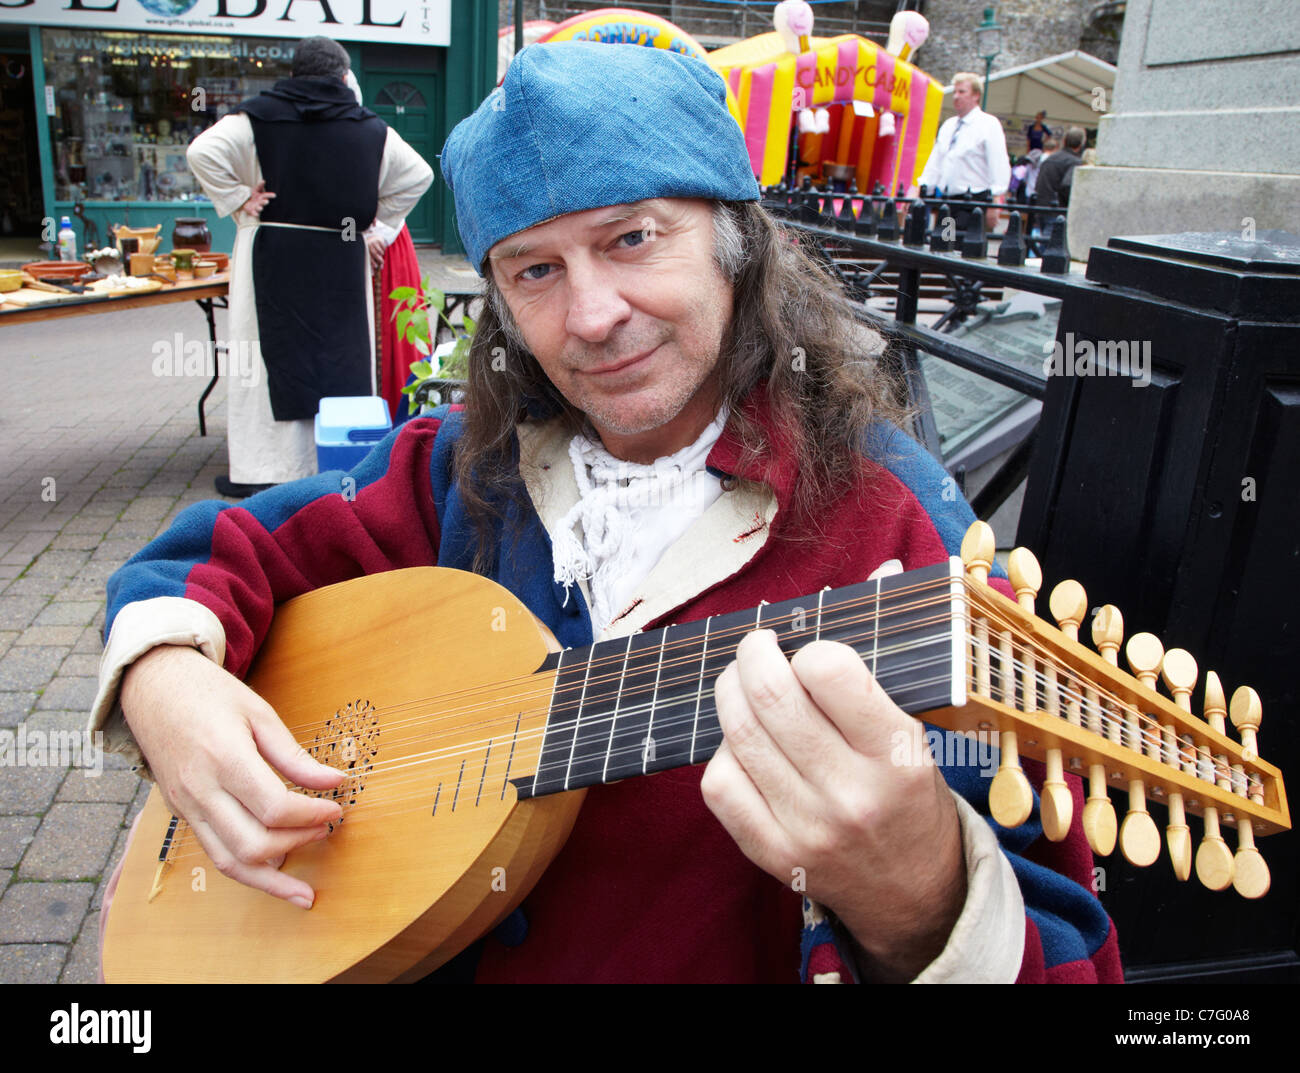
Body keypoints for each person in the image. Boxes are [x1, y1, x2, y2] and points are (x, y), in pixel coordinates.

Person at [92, 43, 1119, 984]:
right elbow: (223, 548)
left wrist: (922, 900)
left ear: (733, 244)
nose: (589, 315)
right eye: (535, 270)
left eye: (631, 239)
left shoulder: (901, 533)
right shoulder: (464, 470)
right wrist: (166, 678)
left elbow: (1068, 953)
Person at [186, 36, 433, 498]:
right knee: (340, 358)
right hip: (339, 252)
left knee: (263, 363)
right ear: (343, 76)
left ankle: (262, 470)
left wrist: (241, 198)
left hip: (271, 251)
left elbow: (202, 152)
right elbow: (418, 174)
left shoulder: (256, 116)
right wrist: (380, 227)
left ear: (295, 74)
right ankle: (337, 464)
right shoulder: (370, 127)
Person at [912, 72, 1011, 237]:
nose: (956, 97)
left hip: (974, 202)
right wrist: (922, 187)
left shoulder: (988, 124)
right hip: (949, 201)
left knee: (965, 251)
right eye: (955, 92)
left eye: (962, 92)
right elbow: (936, 161)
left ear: (976, 96)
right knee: (944, 245)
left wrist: (995, 203)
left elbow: (999, 163)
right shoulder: (949, 125)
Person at [1036, 126, 1086, 210]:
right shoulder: (1075, 162)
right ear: (1081, 144)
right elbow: (1067, 185)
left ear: (1064, 141)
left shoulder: (1050, 158)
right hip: (1058, 209)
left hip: (1042, 206)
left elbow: (1038, 183)